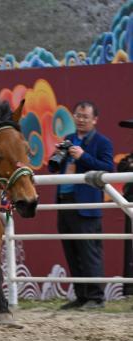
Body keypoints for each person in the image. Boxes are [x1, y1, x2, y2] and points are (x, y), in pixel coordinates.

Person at [48, 101, 113, 309]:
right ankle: (81, 296)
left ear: (95, 120)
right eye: (78, 115)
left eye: (86, 117)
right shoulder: (69, 139)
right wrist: (57, 155)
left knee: (89, 252)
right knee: (72, 250)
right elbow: (52, 168)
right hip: (64, 202)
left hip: (86, 205)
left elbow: (108, 169)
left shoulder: (102, 142)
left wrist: (83, 157)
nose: (81, 120)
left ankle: (96, 297)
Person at [117, 150, 133, 295]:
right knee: (130, 247)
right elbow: (121, 167)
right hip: (130, 205)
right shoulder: (129, 157)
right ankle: (130, 289)